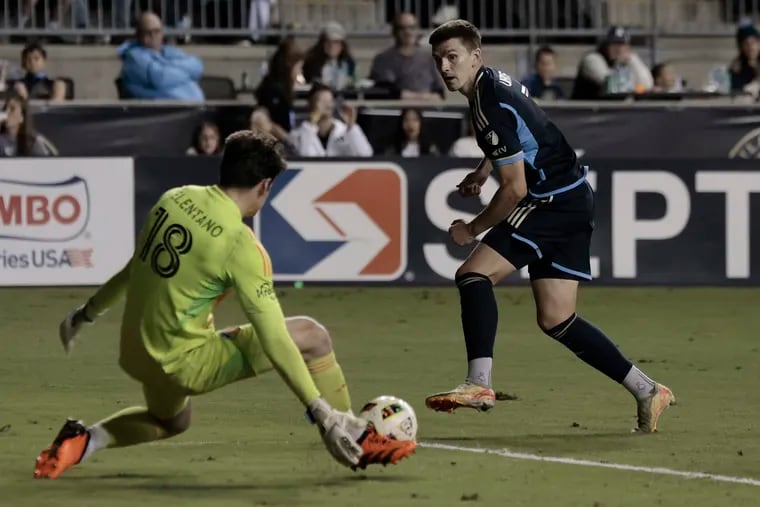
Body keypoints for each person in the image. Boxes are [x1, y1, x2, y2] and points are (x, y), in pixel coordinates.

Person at [33, 130, 415, 480]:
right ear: (264, 186)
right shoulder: (241, 244)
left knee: (172, 421)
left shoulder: (174, 198)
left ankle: (82, 442)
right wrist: (320, 410)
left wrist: (86, 313)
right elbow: (275, 338)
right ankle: (354, 434)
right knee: (312, 336)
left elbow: (134, 268)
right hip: (184, 363)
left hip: (136, 350)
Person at [424, 20, 675, 433]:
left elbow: (515, 190)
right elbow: (519, 131)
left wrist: (471, 229)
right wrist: (484, 169)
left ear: (475, 56)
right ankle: (648, 390)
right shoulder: (495, 82)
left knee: (472, 274)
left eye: (453, 57)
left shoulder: (486, 101)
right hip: (575, 196)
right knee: (557, 318)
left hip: (548, 201)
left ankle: (478, 384)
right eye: (438, 61)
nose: (445, 68)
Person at [289, 84, 373, 157]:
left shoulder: (344, 131)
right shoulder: (297, 134)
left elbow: (365, 155)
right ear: (310, 104)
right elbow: (303, 156)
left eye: (329, 100)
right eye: (321, 101)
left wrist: (351, 126)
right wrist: (311, 122)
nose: (327, 105)